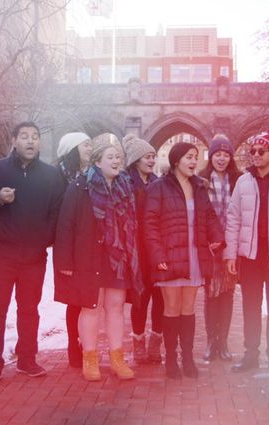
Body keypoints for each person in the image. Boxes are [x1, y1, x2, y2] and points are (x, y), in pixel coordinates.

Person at [0, 122, 64, 387]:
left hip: (34, 257)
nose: (31, 141)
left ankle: (27, 358)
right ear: (14, 141)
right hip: (1, 255)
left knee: (29, 310)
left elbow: (57, 213)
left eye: (35, 137)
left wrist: (44, 240)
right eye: (24, 136)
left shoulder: (51, 175)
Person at [54, 141, 143, 381]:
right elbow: (65, 225)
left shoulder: (125, 186)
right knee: (91, 307)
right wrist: (64, 262)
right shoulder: (80, 187)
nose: (116, 161)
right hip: (88, 257)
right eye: (110, 157)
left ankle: (117, 359)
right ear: (97, 161)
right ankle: (90, 359)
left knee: (116, 307)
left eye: (118, 157)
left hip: (117, 258)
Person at [144, 142, 224, 379]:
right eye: (189, 157)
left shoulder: (199, 187)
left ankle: (187, 358)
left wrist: (217, 237)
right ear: (176, 160)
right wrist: (157, 255)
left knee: (188, 309)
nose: (193, 162)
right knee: (171, 307)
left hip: (194, 255)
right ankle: (170, 359)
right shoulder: (158, 188)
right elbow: (150, 225)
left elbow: (210, 217)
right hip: (169, 256)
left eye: (196, 157)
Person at [224, 129, 269, 376]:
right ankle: (251, 353)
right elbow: (233, 218)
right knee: (250, 306)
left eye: (260, 151)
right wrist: (231, 255)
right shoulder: (243, 181)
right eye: (252, 151)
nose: (255, 155)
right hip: (251, 256)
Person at [199, 134, 241, 362]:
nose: (222, 159)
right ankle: (210, 340)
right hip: (210, 247)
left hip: (231, 247)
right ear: (211, 156)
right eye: (218, 154)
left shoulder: (238, 181)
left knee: (227, 294)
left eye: (226, 155)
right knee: (210, 294)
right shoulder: (202, 181)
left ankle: (223, 342)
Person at [122, 134, 163, 365]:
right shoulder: (126, 184)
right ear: (136, 159)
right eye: (147, 156)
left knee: (160, 299)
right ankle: (138, 342)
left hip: (156, 250)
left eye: (153, 156)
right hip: (137, 251)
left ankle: (156, 343)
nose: (151, 160)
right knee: (140, 299)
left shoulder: (158, 182)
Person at [53, 132, 93, 369]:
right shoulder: (58, 177)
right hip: (67, 246)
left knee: (86, 299)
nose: (90, 148)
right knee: (74, 300)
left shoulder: (89, 174)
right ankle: (73, 345)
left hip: (87, 246)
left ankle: (83, 343)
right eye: (85, 144)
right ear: (72, 148)